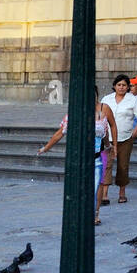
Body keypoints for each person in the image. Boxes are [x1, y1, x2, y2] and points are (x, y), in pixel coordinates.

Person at [38, 88, 118, 226]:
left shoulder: (105, 109)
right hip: (79, 157)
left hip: (98, 155)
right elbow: (60, 133)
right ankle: (80, 212)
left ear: (96, 96)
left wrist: (113, 146)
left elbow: (110, 127)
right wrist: (46, 148)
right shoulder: (75, 113)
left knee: (97, 185)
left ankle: (95, 213)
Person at [100, 72, 137, 204]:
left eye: (124, 85)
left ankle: (122, 193)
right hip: (107, 138)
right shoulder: (106, 99)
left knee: (123, 166)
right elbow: (100, 115)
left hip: (125, 137)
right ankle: (105, 195)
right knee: (106, 165)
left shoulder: (132, 100)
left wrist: (136, 129)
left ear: (128, 87)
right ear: (114, 86)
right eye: (119, 85)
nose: (121, 87)